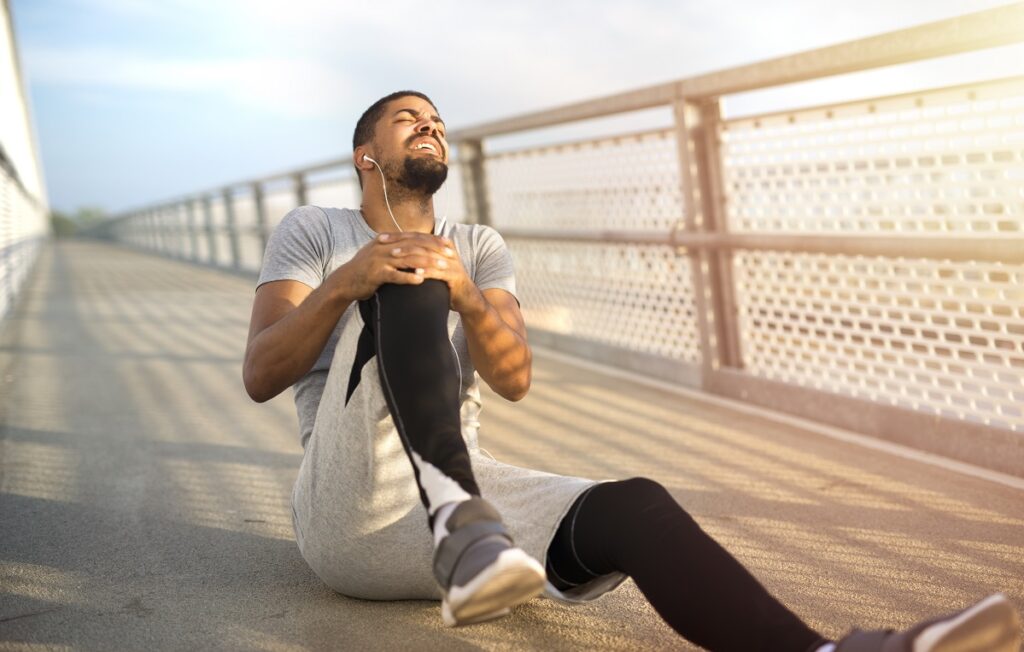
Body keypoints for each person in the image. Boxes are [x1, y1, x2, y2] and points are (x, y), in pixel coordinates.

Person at [243, 90, 1022, 651]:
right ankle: (459, 517)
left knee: (635, 505)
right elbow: (261, 371)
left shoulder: (479, 244)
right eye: (410, 120)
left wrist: (470, 300)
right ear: (366, 155)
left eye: (440, 123)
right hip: (349, 506)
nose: (432, 130)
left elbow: (513, 377)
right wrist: (351, 279)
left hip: (478, 517)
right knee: (406, 269)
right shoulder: (316, 230)